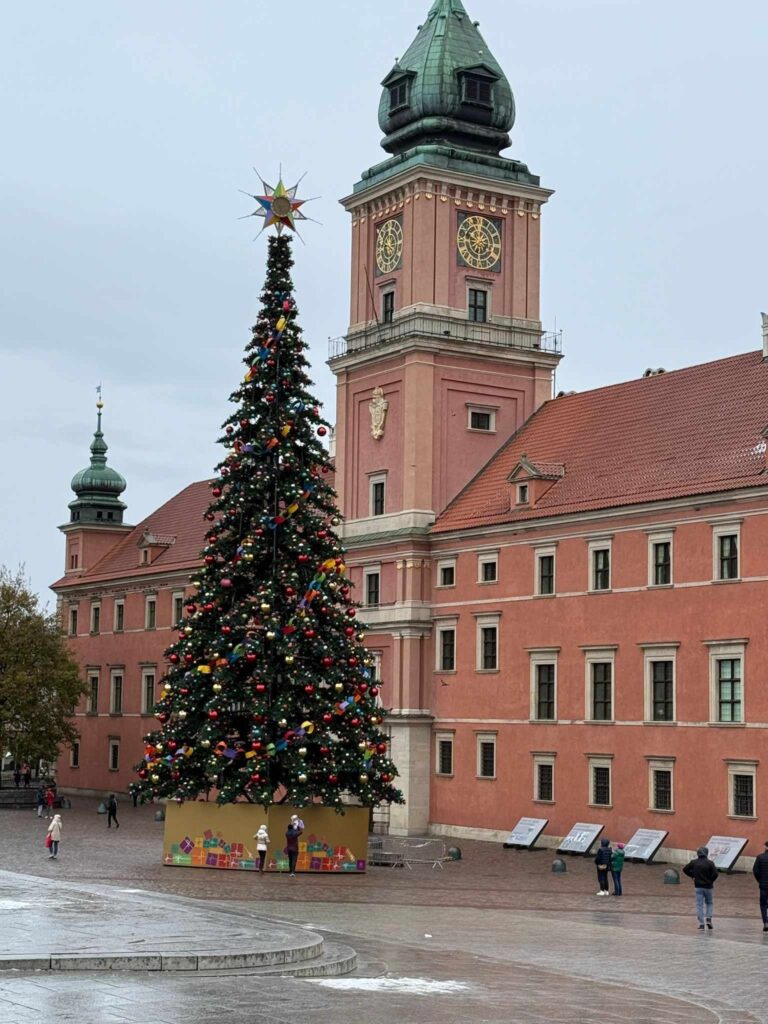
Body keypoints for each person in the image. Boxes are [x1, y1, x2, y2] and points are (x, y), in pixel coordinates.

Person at [683, 846, 719, 930]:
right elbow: (716, 874)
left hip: (698, 886)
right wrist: (711, 880)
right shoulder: (710, 863)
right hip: (708, 887)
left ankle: (701, 924)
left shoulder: (694, 862)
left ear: (698, 853)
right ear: (706, 853)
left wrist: (692, 876)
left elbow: (685, 869)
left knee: (699, 905)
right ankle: (708, 918)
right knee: (709, 903)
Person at [751, 840, 768, 932]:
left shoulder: (760, 857)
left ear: (765, 847)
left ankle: (765, 922)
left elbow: (755, 870)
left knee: (763, 904)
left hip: (763, 885)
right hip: (763, 884)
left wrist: (759, 880)